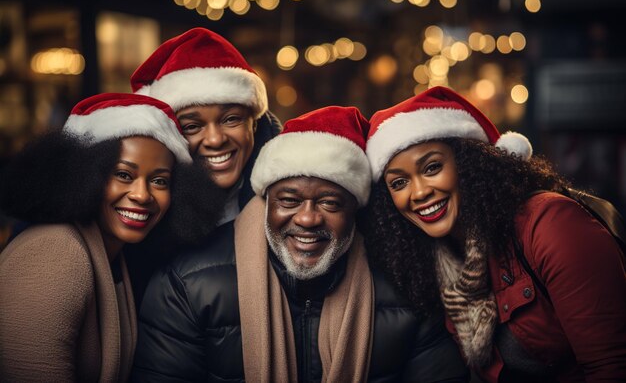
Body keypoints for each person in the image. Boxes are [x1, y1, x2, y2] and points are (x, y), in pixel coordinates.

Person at [131, 106, 469, 382]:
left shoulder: (406, 283)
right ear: (266, 203)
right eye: (289, 200)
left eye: (329, 203)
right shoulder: (187, 282)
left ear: (355, 212)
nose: (308, 219)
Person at [362, 86, 626, 382]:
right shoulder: (432, 262)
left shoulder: (550, 223)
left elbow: (612, 366)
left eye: (432, 167)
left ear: (469, 163)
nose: (420, 192)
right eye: (398, 183)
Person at [0, 93, 224, 382]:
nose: (142, 195)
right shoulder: (53, 251)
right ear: (84, 175)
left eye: (159, 181)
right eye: (123, 175)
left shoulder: (114, 255)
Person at [126, 27, 282, 306]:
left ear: (254, 123)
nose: (215, 139)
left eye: (231, 119)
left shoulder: (291, 201)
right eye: (193, 126)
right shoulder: (142, 204)